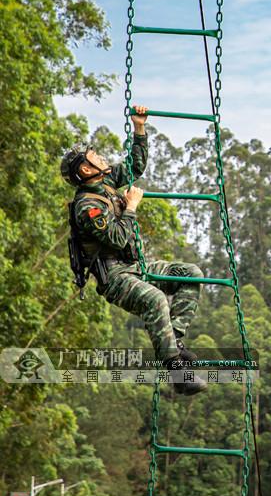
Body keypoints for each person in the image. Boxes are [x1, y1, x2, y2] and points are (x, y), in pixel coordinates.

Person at [61, 106, 205, 395]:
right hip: (115, 278)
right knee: (154, 299)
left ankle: (173, 340)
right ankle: (176, 371)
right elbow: (115, 238)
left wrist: (139, 128)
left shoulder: (107, 182)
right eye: (93, 157)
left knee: (190, 274)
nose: (100, 156)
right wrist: (132, 207)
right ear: (86, 169)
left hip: (137, 266)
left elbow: (135, 167)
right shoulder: (87, 206)